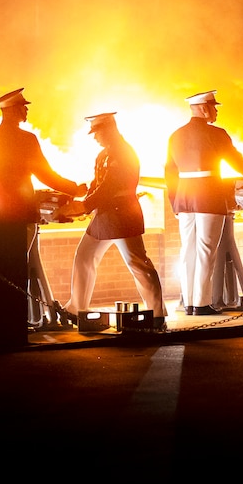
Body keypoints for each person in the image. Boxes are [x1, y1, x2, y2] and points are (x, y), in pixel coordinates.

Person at [0, 88, 87, 329]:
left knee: (2, 264)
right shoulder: (26, 139)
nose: (26, 110)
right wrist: (73, 189)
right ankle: (17, 321)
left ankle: (2, 319)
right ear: (14, 110)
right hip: (21, 212)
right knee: (19, 265)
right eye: (23, 107)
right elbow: (45, 174)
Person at [166, 90, 243, 315]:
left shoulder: (175, 135)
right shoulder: (217, 134)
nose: (216, 111)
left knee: (188, 251)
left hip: (184, 198)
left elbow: (169, 172)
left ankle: (190, 302)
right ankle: (202, 304)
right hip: (208, 196)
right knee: (205, 250)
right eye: (214, 107)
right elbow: (239, 163)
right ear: (204, 108)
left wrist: (175, 201)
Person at [59, 112, 166, 330]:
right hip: (105, 215)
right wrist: (82, 197)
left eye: (97, 132)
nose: (95, 137)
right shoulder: (104, 154)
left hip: (121, 215)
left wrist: (84, 205)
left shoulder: (123, 153)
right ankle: (76, 308)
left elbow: (110, 187)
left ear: (109, 129)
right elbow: (98, 185)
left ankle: (156, 314)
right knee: (84, 257)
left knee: (138, 263)